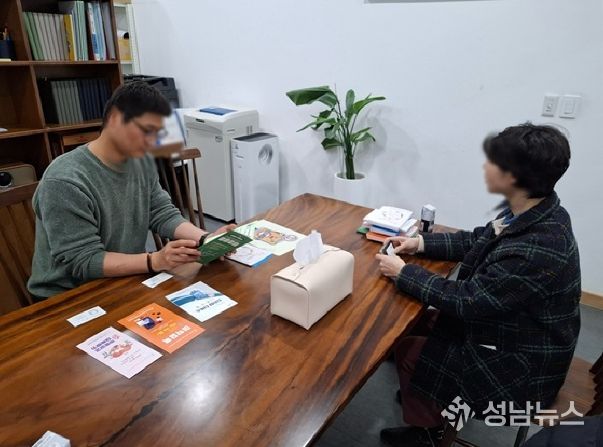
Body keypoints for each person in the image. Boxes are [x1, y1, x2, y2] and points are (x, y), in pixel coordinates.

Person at [375, 123, 581, 447]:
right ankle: (425, 396)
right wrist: (420, 244)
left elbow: (468, 301)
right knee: (419, 323)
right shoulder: (538, 210)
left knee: (408, 351)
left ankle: (429, 433)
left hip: (524, 369)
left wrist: (404, 273)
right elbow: (477, 239)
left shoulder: (536, 248)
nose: (486, 166)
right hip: (515, 332)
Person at [28, 82, 232, 300]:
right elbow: (84, 261)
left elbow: (162, 212)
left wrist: (206, 239)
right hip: (68, 296)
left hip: (123, 278)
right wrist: (154, 260)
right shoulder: (65, 181)